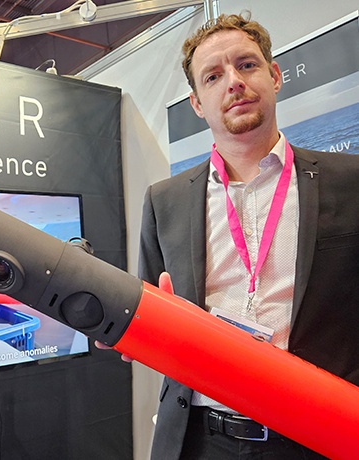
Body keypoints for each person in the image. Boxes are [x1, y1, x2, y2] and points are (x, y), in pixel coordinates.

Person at [103, 12, 359, 460]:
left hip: (318, 435)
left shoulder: (350, 180)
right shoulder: (164, 201)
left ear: (274, 76)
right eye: (213, 76)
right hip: (200, 439)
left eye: (246, 65)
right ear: (197, 104)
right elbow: (148, 306)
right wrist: (126, 331)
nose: (234, 82)